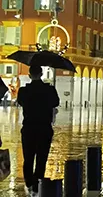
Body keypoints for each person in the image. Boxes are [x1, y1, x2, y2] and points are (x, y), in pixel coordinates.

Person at [17, 65, 60, 196]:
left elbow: (21, 102)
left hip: (29, 128)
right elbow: (56, 102)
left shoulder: (24, 91)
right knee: (42, 159)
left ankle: (29, 184)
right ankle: (37, 184)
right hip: (44, 129)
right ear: (41, 74)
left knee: (28, 158)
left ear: (29, 75)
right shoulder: (49, 89)